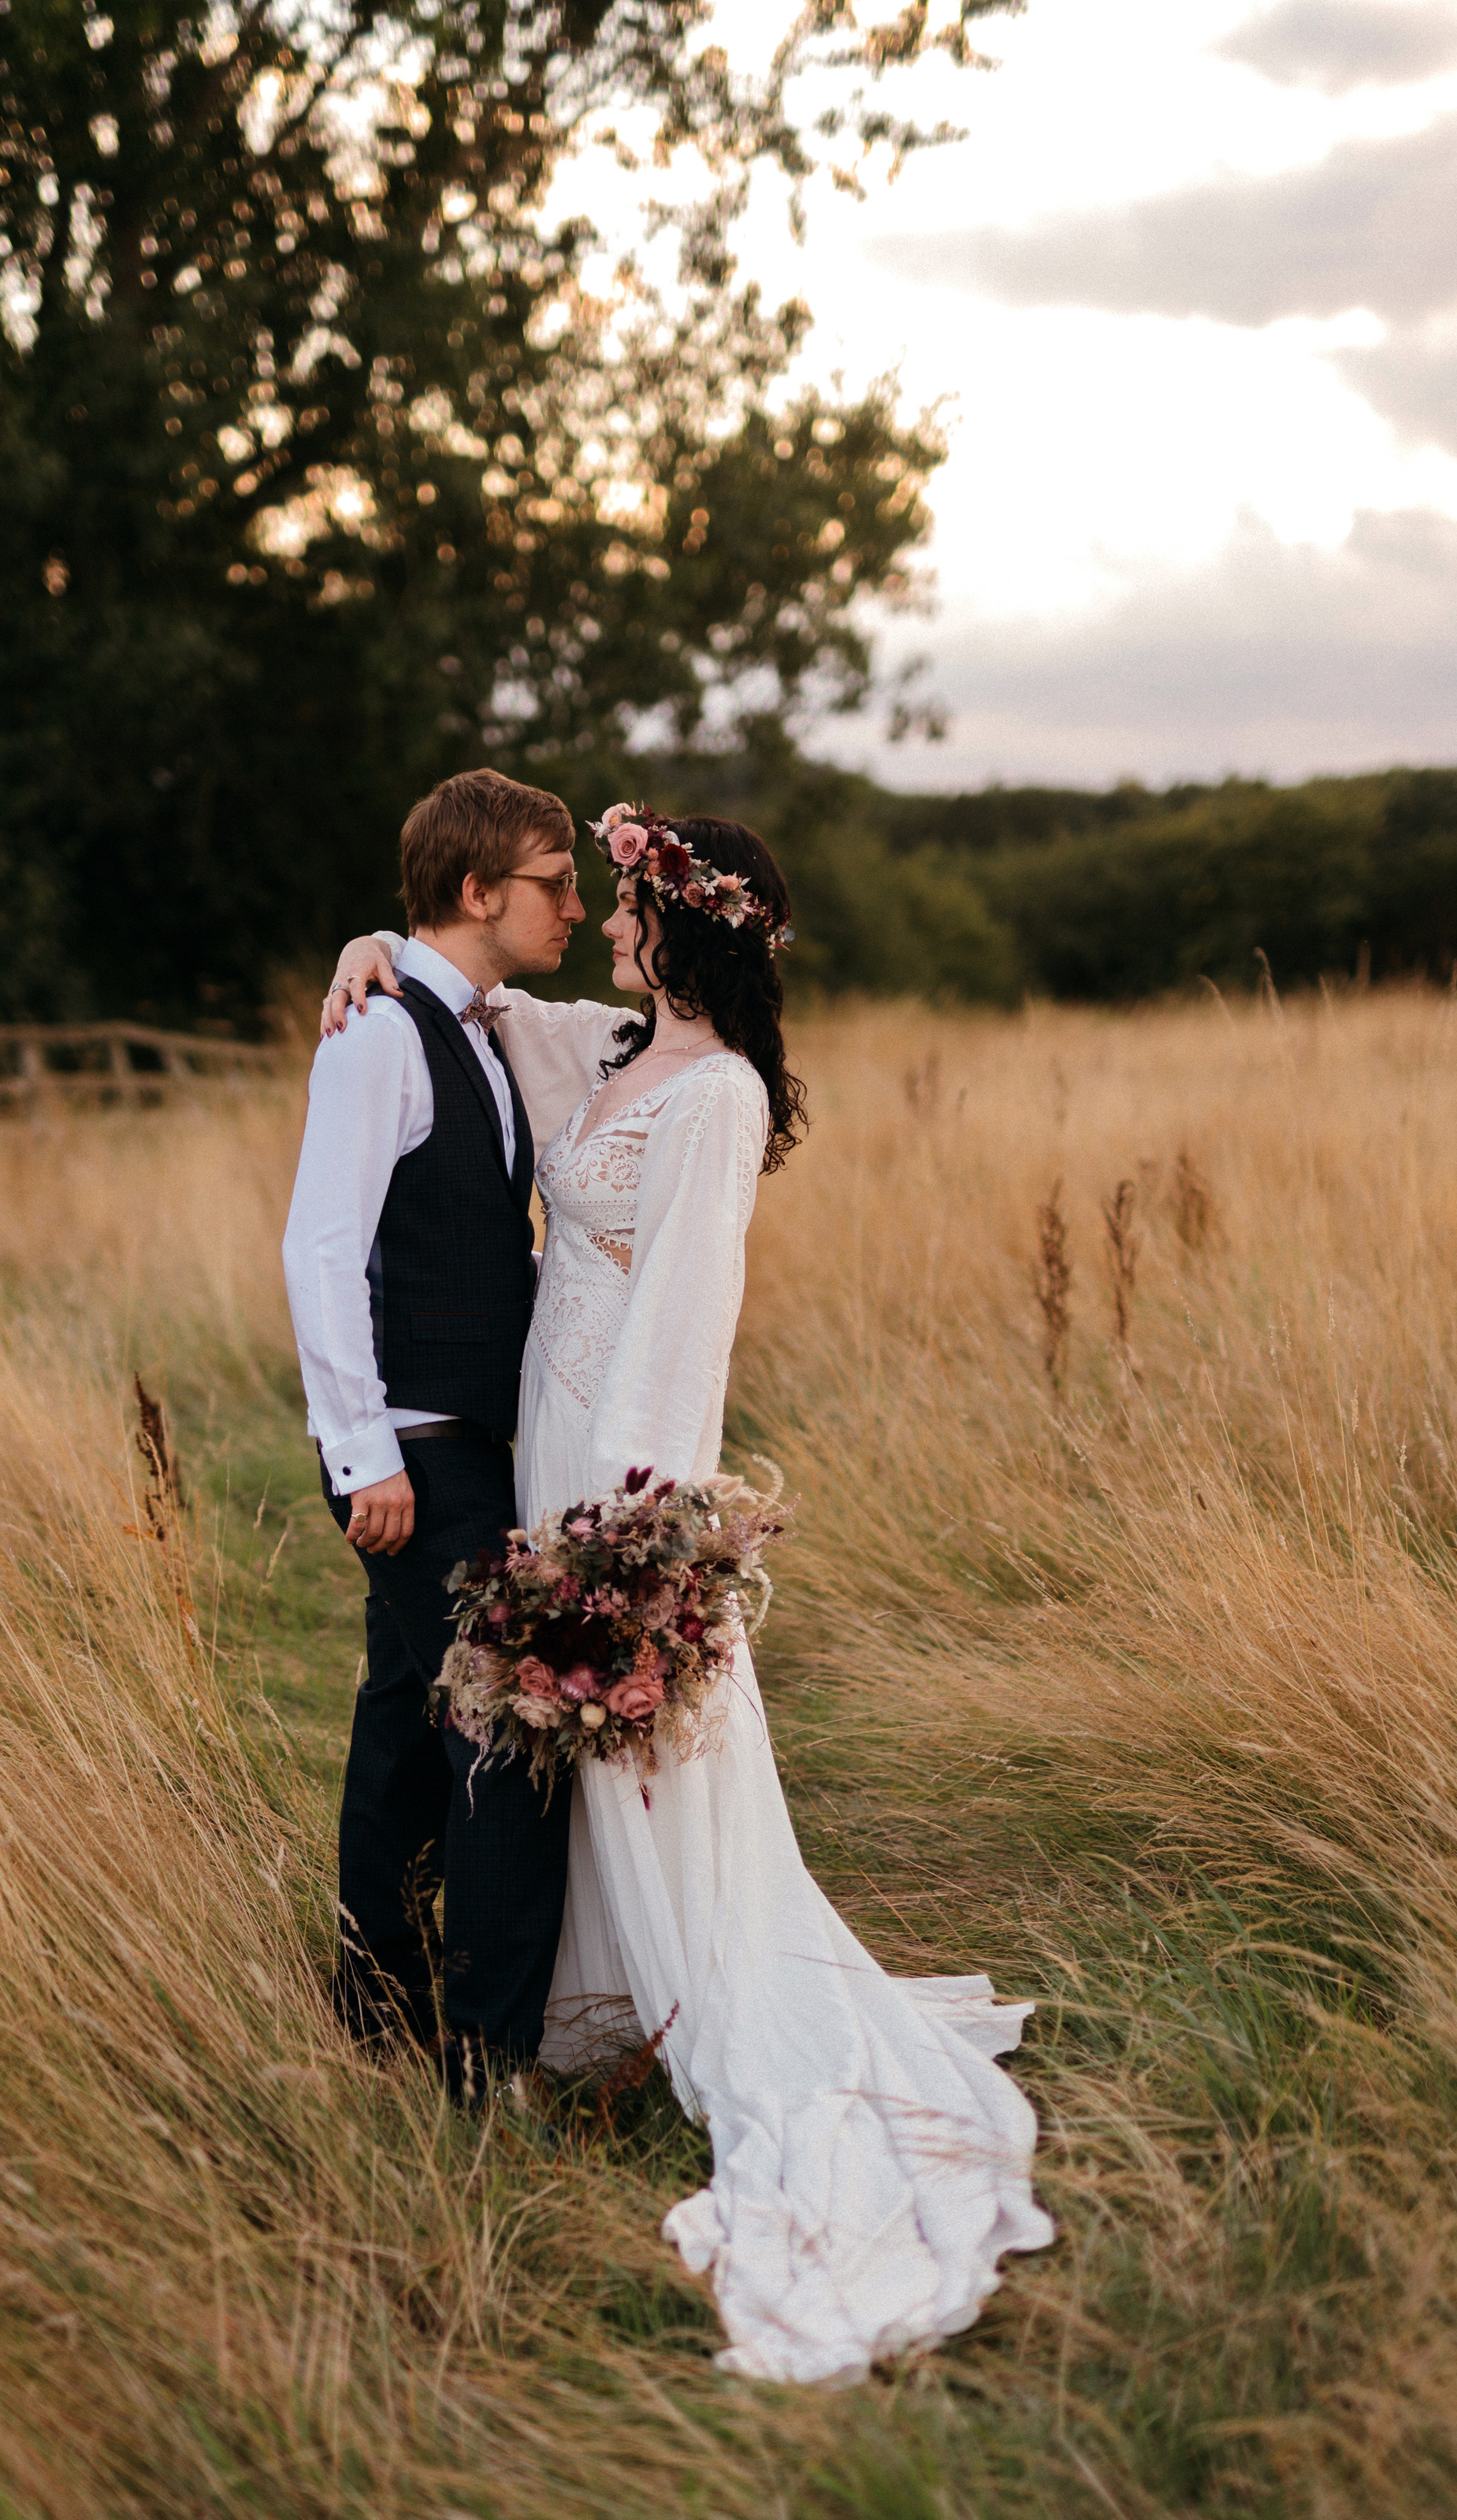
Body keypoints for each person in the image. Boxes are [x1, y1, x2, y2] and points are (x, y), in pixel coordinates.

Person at [320, 802, 1054, 2384]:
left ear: (685, 921)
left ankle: (650, 1995)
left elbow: (688, 1315)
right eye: (593, 895)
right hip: (535, 1432)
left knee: (604, 1719)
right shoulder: (598, 1046)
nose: (603, 920)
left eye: (629, 901)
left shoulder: (718, 1095)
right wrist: (370, 942)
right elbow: (465, 986)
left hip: (610, 1451)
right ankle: (576, 1992)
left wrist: (632, 1523)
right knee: (530, 1731)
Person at [281, 766, 585, 2100]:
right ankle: (492, 2060)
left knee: (405, 1722)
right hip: (411, 1449)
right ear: (477, 889)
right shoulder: (380, 1038)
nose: (575, 907)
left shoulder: (479, 1022)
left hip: (464, 1438)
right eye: (553, 884)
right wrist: (366, 1456)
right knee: (509, 1723)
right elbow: (322, 1250)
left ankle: (376, 2002)